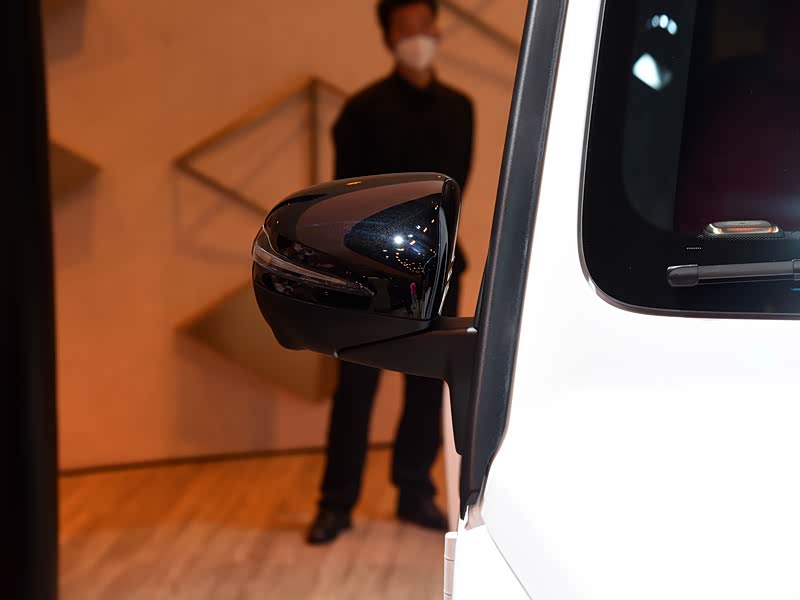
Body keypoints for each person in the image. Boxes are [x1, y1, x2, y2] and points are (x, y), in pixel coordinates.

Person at [307, 0, 474, 545]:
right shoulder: (360, 111)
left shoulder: (460, 108)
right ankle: (336, 503)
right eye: (406, 28)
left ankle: (414, 491)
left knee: (426, 388)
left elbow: (453, 188)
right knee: (355, 388)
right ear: (388, 38)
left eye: (425, 24)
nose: (418, 35)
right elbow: (344, 201)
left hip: (438, 267)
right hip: (366, 274)